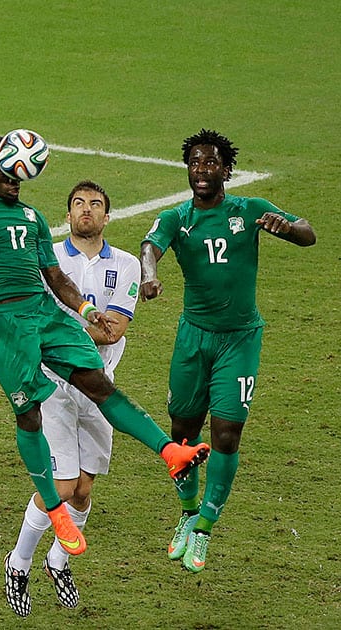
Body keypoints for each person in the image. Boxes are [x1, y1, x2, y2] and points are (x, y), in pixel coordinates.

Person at [0, 138, 211, 600]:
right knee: (29, 415)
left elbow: (56, 279)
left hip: (46, 314)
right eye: (7, 172)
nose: (15, 181)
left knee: (97, 384)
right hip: (5, 325)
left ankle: (169, 451)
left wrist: (87, 311)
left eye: (20, 174)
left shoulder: (30, 219)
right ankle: (51, 511)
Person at [140, 129, 316, 574]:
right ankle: (186, 512)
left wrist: (288, 227)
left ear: (226, 170)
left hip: (239, 339)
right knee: (182, 437)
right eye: (195, 163)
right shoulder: (176, 218)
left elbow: (308, 233)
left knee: (225, 436)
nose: (202, 170)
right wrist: (148, 274)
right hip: (193, 339)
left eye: (211, 163)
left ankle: (204, 526)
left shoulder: (250, 209)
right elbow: (149, 246)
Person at [3, 181, 140, 617]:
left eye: (95, 205)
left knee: (82, 491)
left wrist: (56, 327)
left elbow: (113, 330)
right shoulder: (49, 259)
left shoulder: (127, 264)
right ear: (67, 215)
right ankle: (19, 562)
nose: (86, 211)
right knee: (61, 485)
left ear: (106, 216)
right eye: (78, 203)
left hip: (100, 386)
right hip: (56, 385)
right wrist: (59, 332)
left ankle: (57, 561)